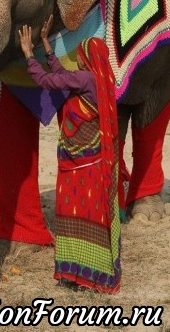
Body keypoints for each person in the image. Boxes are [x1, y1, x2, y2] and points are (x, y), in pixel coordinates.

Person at [19, 15, 121, 294]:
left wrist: (29, 53)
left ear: (88, 58)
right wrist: (47, 47)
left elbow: (46, 79)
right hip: (95, 162)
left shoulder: (86, 78)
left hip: (78, 166)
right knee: (90, 216)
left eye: (81, 53)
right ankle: (92, 272)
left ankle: (75, 272)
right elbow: (65, 76)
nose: (78, 57)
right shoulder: (101, 79)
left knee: (70, 213)